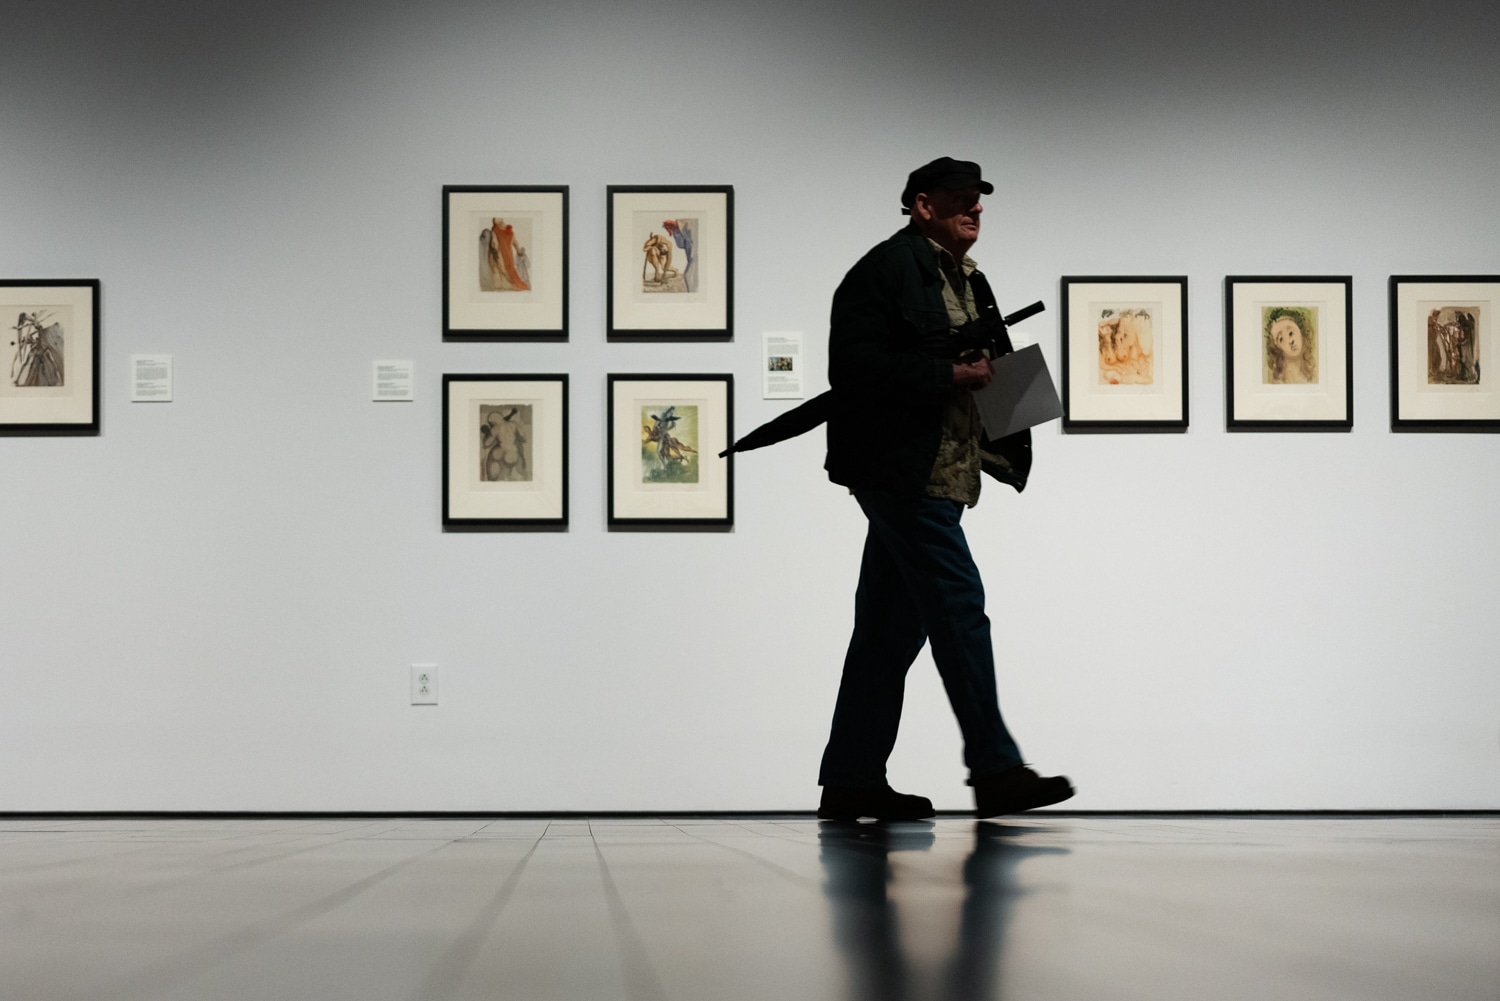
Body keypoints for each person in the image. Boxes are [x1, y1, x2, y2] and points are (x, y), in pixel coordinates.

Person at [817, 157, 1075, 822]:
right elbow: (853, 365)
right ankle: (995, 769)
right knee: (959, 605)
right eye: (962, 199)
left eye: (981, 201)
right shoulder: (886, 269)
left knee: (887, 632)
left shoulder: (971, 279)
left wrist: (1017, 417)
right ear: (921, 204)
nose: (976, 210)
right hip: (905, 472)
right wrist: (946, 374)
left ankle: (851, 779)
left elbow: (994, 365)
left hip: (945, 472)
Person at [1264, 308, 1316, 384]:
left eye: (1291, 333)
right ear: (1277, 349)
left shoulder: (1313, 376)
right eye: (1281, 339)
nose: (1290, 341)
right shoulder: (1277, 382)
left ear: (1301, 333)